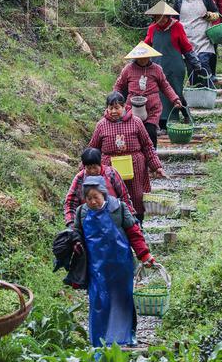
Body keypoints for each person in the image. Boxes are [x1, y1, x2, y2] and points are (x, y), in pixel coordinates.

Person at [74, 176, 155, 347]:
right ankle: (99, 341)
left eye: (96, 197)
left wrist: (144, 255)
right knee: (98, 301)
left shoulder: (118, 208)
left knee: (123, 299)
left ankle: (129, 334)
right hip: (97, 267)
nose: (93, 202)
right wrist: (75, 246)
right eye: (88, 198)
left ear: (104, 194)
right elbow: (77, 235)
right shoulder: (82, 212)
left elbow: (134, 233)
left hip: (120, 264)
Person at [88, 91, 166, 222]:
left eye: (117, 107)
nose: (114, 111)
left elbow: (147, 145)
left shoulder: (136, 122)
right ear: (107, 108)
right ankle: (116, 227)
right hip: (110, 170)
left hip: (135, 168)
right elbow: (93, 148)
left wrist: (157, 166)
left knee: (136, 197)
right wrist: (85, 168)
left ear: (124, 106)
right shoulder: (101, 125)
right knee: (112, 197)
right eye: (111, 108)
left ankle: (138, 225)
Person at [143, 1, 202, 128]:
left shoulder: (177, 27)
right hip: (157, 67)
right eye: (158, 17)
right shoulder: (152, 29)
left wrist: (195, 62)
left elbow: (186, 47)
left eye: (164, 17)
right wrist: (135, 60)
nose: (161, 20)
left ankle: (183, 116)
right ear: (154, 17)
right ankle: (162, 122)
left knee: (176, 93)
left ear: (168, 16)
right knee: (159, 95)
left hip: (175, 68)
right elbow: (145, 46)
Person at [114, 41, 182, 147]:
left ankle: (152, 154)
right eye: (140, 58)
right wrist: (115, 99)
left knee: (150, 132)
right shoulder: (128, 69)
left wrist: (175, 99)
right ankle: (137, 154)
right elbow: (119, 85)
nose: (142, 60)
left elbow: (165, 86)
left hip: (152, 109)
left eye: (145, 57)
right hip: (133, 107)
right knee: (133, 132)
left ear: (149, 57)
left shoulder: (157, 69)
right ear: (135, 57)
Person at [64, 146, 135, 226]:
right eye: (88, 168)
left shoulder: (111, 173)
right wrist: (72, 224)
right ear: (84, 167)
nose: (92, 171)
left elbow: (124, 196)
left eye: (95, 167)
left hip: (113, 219)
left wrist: (130, 216)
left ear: (100, 163)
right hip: (89, 222)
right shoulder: (80, 178)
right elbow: (70, 203)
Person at [173, 0, 221, 79]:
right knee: (191, 68)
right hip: (187, 41)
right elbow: (174, 19)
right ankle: (195, 88)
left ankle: (208, 86)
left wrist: (209, 16)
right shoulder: (179, 1)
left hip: (204, 40)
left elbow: (217, 14)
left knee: (203, 63)